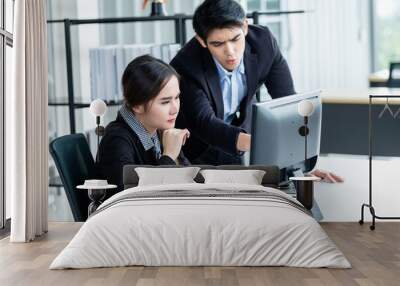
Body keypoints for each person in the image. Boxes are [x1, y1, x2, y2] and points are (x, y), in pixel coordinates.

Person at [170, 0, 295, 165]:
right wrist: (261, 143)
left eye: (235, 39)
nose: (230, 52)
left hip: (241, 137)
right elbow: (205, 123)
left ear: (245, 26)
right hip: (199, 147)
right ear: (201, 40)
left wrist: (299, 160)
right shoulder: (185, 65)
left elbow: (287, 101)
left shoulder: (264, 43)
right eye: (217, 44)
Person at [97, 55, 190, 194]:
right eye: (165, 102)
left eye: (176, 98)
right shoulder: (116, 141)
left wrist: (177, 158)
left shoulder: (158, 129)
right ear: (137, 106)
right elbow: (134, 199)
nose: (175, 108)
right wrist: (169, 156)